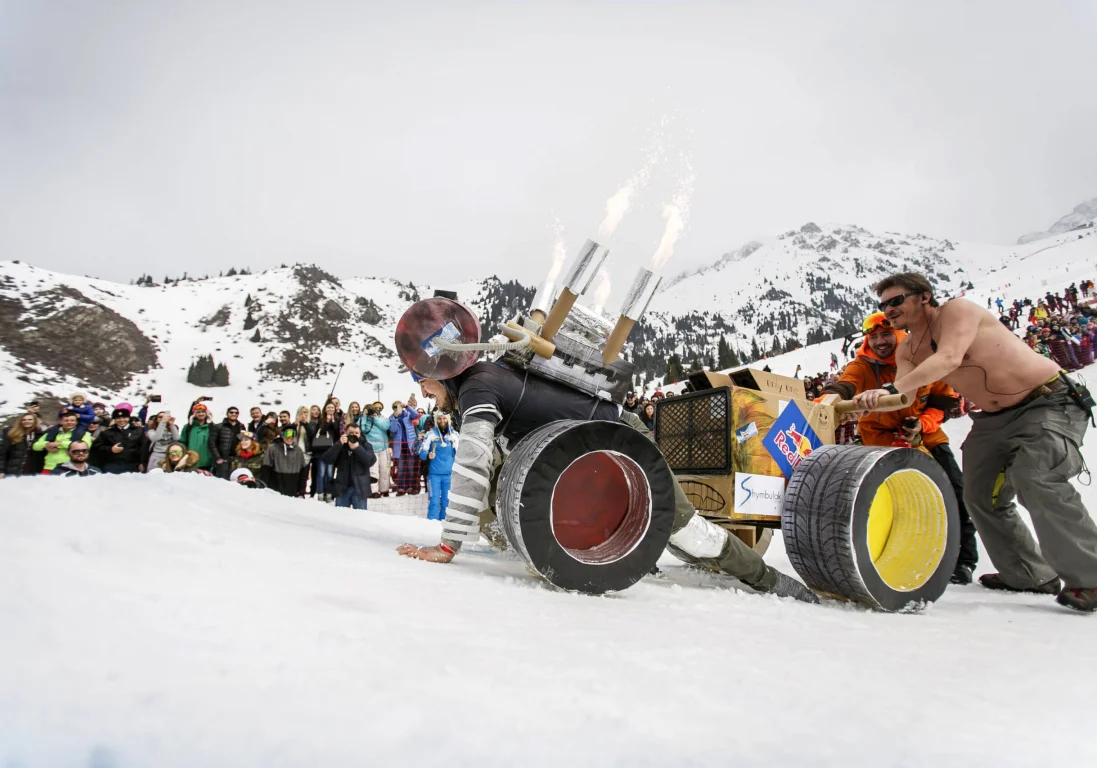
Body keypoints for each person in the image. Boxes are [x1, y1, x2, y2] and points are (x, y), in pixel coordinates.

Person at [396, 362, 817, 604]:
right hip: (577, 448)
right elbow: (485, 471)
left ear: (439, 373)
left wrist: (448, 545)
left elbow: (470, 464)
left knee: (689, 535)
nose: (425, 394)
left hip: (620, 440)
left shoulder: (479, 387)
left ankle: (772, 582)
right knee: (496, 506)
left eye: (422, 384)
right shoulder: (481, 380)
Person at [853, 272, 1097, 612]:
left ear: (923, 296)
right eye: (883, 305)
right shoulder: (908, 348)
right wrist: (869, 401)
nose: (889, 310)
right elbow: (904, 395)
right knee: (979, 494)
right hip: (994, 420)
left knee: (1036, 478)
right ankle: (1027, 573)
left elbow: (949, 358)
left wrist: (892, 389)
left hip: (1046, 402)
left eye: (896, 301)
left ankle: (1091, 578)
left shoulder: (957, 312)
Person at [819, 311, 980, 584]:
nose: (880, 341)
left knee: (956, 492)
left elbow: (942, 402)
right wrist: (827, 400)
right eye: (874, 337)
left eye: (885, 334)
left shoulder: (923, 361)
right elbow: (846, 384)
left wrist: (923, 424)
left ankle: (963, 561)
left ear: (898, 333)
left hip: (927, 438)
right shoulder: (862, 364)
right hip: (879, 442)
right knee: (886, 503)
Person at [322, 424, 376, 510]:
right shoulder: (341, 444)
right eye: (351, 433)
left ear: (360, 434)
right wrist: (338, 444)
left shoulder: (366, 445)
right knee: (341, 519)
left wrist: (357, 448)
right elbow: (326, 459)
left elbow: (370, 461)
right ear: (346, 433)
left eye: (356, 433)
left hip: (360, 488)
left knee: (360, 518)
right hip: (342, 488)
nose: (354, 435)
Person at [418, 412, 457, 521]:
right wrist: (427, 455)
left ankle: (444, 523)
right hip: (434, 475)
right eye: (439, 419)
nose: (442, 421)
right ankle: (432, 523)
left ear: (448, 419)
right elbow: (421, 452)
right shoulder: (430, 434)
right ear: (436, 420)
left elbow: (459, 454)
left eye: (444, 418)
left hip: (449, 475)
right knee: (434, 500)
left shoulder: (454, 435)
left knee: (447, 501)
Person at [91, 408, 150, 474]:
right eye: (118, 418)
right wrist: (110, 449)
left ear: (128, 418)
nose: (121, 420)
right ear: (115, 419)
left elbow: (144, 448)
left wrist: (143, 463)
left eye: (124, 417)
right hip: (112, 465)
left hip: (133, 464)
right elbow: (96, 448)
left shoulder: (139, 431)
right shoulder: (107, 432)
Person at [260, 426, 309, 497]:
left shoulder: (298, 450)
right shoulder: (272, 449)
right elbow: (265, 470)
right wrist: (264, 488)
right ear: (282, 435)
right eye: (287, 434)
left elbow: (303, 473)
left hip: (292, 489)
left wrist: (301, 491)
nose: (290, 437)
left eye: (293, 434)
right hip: (275, 489)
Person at [388, 397, 422, 495]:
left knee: (411, 468)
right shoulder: (391, 418)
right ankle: (401, 488)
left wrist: (407, 406)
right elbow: (393, 430)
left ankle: (411, 487)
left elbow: (416, 415)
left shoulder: (407, 414)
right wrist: (394, 418)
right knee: (401, 468)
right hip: (399, 447)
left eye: (398, 406)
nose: (397, 408)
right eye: (395, 407)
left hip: (411, 445)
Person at [311, 403, 342, 501]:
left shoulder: (338, 420)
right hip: (321, 451)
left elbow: (338, 432)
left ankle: (328, 493)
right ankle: (320, 493)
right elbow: (321, 431)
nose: (330, 409)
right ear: (325, 409)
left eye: (332, 407)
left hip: (332, 450)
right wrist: (327, 421)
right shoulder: (321, 420)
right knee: (321, 473)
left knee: (329, 473)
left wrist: (333, 421)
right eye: (328, 407)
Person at [360, 401, 392, 497]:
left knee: (385, 469)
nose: (377, 409)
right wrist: (365, 416)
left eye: (379, 407)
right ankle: (374, 491)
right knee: (373, 471)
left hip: (384, 448)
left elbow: (386, 426)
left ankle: (384, 489)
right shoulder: (364, 419)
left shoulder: (382, 418)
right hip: (372, 448)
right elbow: (362, 429)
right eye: (375, 407)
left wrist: (375, 418)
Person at [0, 413, 46, 477]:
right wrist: (1, 470)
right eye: (24, 420)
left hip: (32, 472)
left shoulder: (41, 435)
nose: (27, 421)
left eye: (30, 419)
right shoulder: (12, 434)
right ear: (20, 422)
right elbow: (2, 453)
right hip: (13, 471)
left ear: (35, 421)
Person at [209, 406, 245, 479]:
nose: (233, 414)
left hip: (237, 459)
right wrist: (218, 457)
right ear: (227, 413)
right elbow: (211, 443)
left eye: (236, 413)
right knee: (222, 480)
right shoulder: (218, 426)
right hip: (223, 459)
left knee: (235, 480)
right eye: (231, 412)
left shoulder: (241, 427)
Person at [179, 403, 214, 471]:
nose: (201, 414)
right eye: (198, 412)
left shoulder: (211, 427)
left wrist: (211, 422)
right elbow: (182, 442)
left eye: (203, 412)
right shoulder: (188, 427)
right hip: (191, 460)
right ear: (194, 414)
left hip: (206, 461)